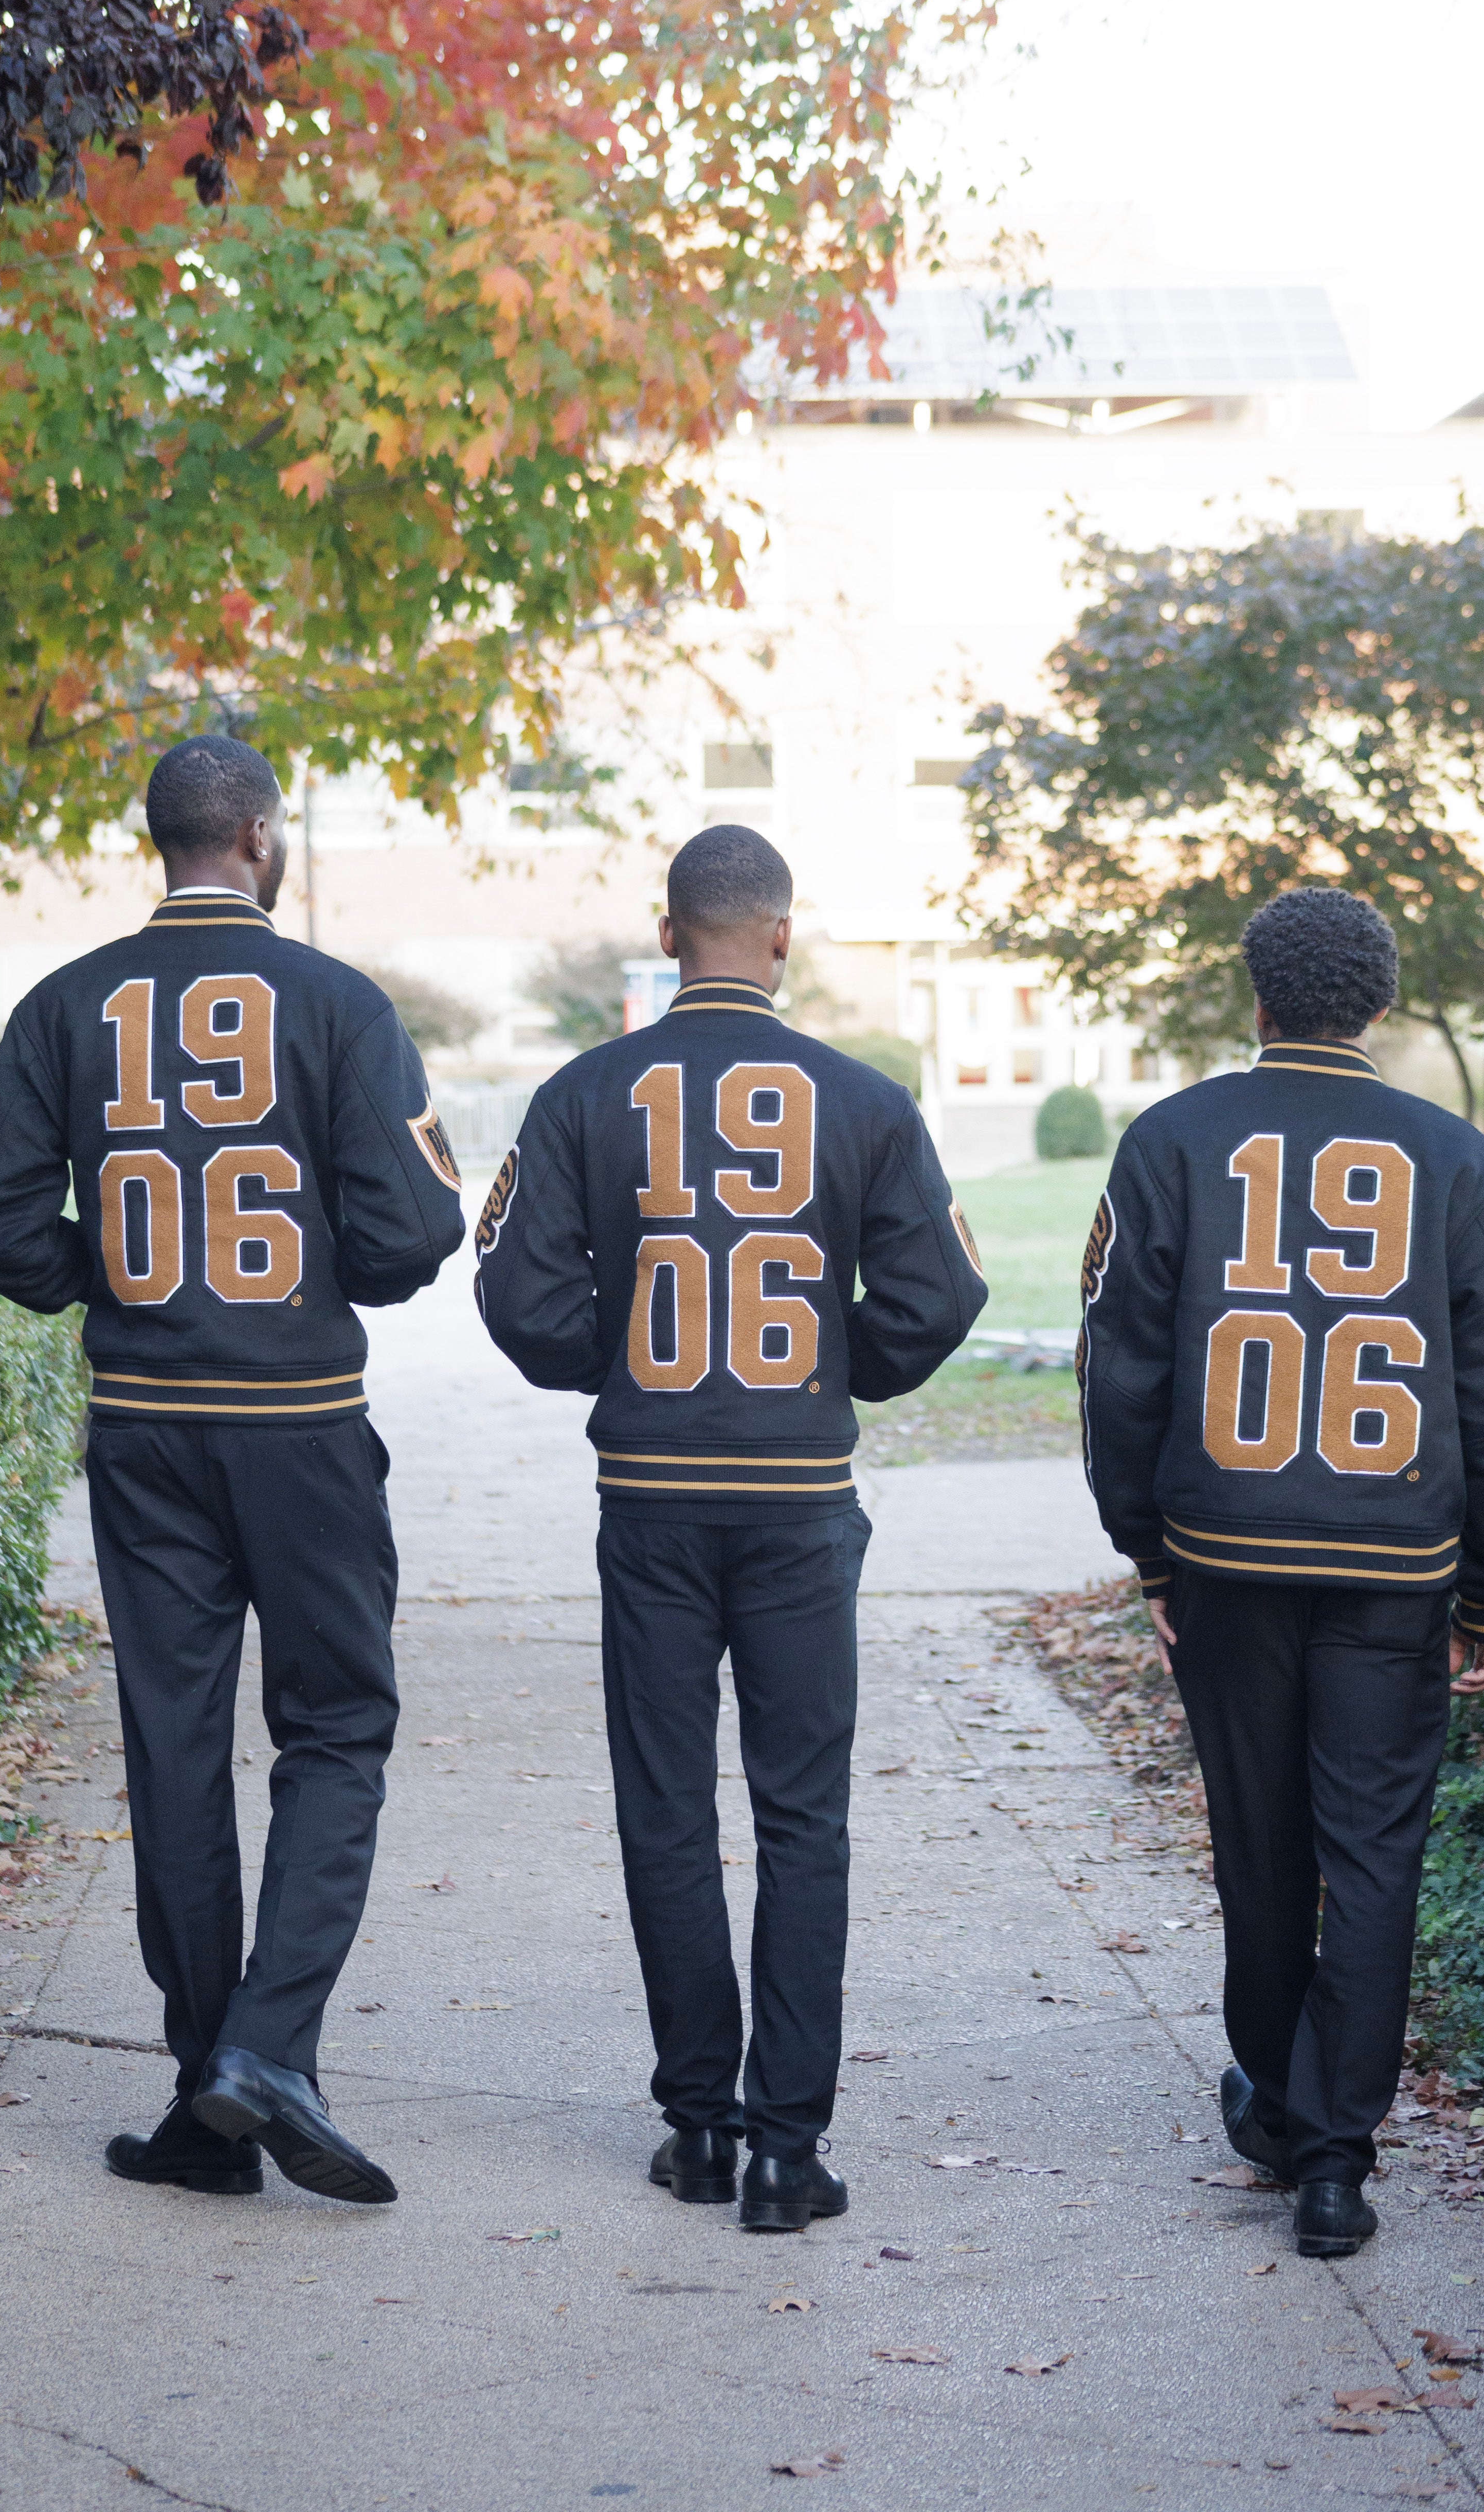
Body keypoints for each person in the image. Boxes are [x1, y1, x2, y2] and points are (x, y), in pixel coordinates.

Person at [0, 735, 465, 2203]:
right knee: (338, 1724)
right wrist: (310, 1272)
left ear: (160, 841)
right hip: (298, 1416)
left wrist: (103, 1274)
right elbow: (420, 1233)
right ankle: (269, 2050)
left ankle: (201, 2092)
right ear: (264, 838)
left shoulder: (66, 1003)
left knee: (174, 1744)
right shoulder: (339, 1002)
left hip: (147, 1416)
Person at [476, 824, 987, 2230]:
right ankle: (788, 2150)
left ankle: (700, 2124)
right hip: (798, 1500)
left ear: (666, 932)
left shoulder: (587, 1093)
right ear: (781, 936)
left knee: (666, 1806)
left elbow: (519, 1304)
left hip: (648, 1496)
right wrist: (838, 1370)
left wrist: (630, 1359)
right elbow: (941, 1298)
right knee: (801, 1813)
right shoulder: (864, 1102)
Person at [1076, 885, 1484, 2262]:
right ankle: (1338, 2159)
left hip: (1226, 1553)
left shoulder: (1168, 1142)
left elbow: (1124, 1372)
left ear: (1255, 996)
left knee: (1261, 1844)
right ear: (1385, 1007)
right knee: (1376, 1850)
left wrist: (1146, 1548)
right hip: (1395, 1561)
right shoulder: (1460, 1162)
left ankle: (1283, 2112)